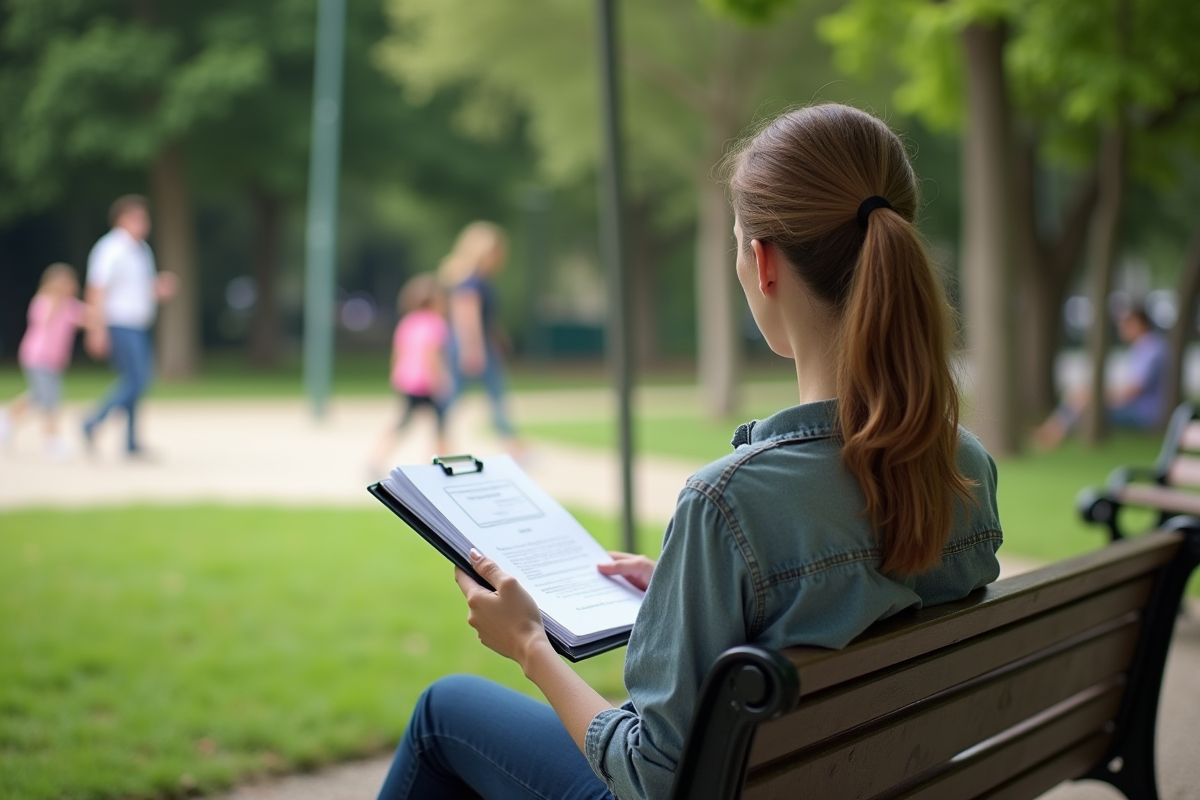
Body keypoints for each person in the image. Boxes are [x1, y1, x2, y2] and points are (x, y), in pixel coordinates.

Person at [376, 104, 1003, 800]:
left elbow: (650, 777)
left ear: (762, 263)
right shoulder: (964, 465)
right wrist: (683, 598)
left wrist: (530, 646)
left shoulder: (728, 506)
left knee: (445, 713)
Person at [81, 195, 177, 457]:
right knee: (139, 379)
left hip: (138, 323)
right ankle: (92, 421)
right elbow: (96, 290)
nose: (144, 223)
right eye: (137, 218)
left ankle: (131, 441)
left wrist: (158, 288)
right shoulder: (110, 249)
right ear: (121, 219)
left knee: (134, 380)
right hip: (118, 323)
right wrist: (96, 329)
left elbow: (139, 289)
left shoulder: (142, 250)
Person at [1033, 307, 1168, 450]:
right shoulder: (1145, 347)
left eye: (1126, 324)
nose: (1121, 329)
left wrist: (1098, 396)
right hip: (1138, 408)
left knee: (1082, 402)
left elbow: (1134, 390)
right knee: (1079, 396)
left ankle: (1053, 436)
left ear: (1140, 323)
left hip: (1143, 414)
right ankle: (1051, 432)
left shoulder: (1151, 349)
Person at [438, 221, 521, 452]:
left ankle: (512, 444)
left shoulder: (480, 281)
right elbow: (467, 318)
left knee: (489, 396)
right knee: (460, 397)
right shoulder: (471, 283)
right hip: (470, 346)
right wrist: (472, 349)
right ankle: (441, 444)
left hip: (479, 345)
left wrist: (497, 335)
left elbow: (485, 319)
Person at [0, 263, 88, 458]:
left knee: (39, 396)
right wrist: (57, 301)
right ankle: (52, 441)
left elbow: (88, 316)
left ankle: (6, 419)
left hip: (54, 361)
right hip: (37, 357)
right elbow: (43, 321)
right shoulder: (43, 302)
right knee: (50, 399)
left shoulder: (71, 306)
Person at [368, 274, 452, 474]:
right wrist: (441, 378)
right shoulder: (436, 323)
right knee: (440, 425)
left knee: (402, 423)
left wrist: (394, 374)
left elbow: (398, 352)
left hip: (408, 381)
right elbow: (432, 355)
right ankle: (439, 464)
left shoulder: (408, 322)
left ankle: (375, 459)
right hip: (427, 383)